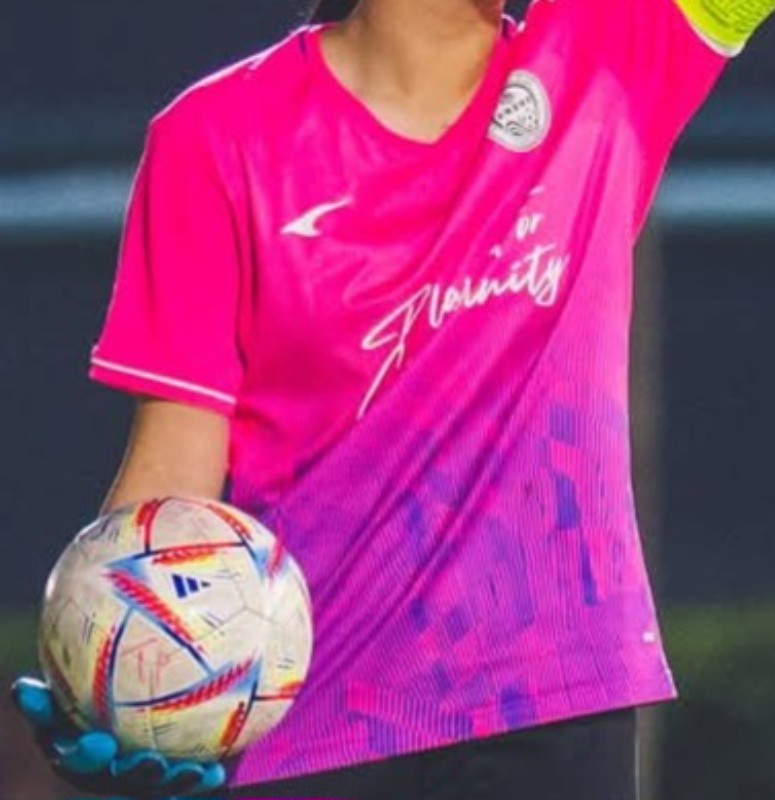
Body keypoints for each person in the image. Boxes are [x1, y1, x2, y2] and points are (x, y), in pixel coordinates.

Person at [12, 0, 775, 798]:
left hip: (550, 707)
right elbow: (176, 470)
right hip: (307, 725)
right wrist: (109, 669)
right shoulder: (214, 136)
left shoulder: (611, 53)